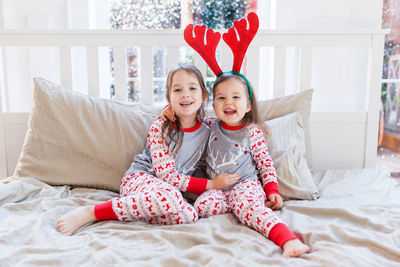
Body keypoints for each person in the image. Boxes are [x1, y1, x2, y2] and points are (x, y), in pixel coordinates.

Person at [57, 64, 240, 235]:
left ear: (204, 97)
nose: (185, 94)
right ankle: (93, 212)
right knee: (169, 198)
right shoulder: (161, 127)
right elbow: (166, 176)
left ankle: (135, 211)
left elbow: (231, 127)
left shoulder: (209, 130)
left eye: (192, 88)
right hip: (140, 180)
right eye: (178, 90)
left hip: (169, 193)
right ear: (169, 98)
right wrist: (211, 185)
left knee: (189, 215)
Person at [192, 72, 310, 258]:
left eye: (236, 97)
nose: (228, 102)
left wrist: (272, 190)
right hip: (219, 188)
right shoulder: (210, 127)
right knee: (201, 206)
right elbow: (187, 122)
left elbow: (265, 164)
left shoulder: (252, 132)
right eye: (221, 98)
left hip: (245, 184)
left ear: (247, 105)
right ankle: (238, 207)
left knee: (250, 208)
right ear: (213, 106)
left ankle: (288, 240)